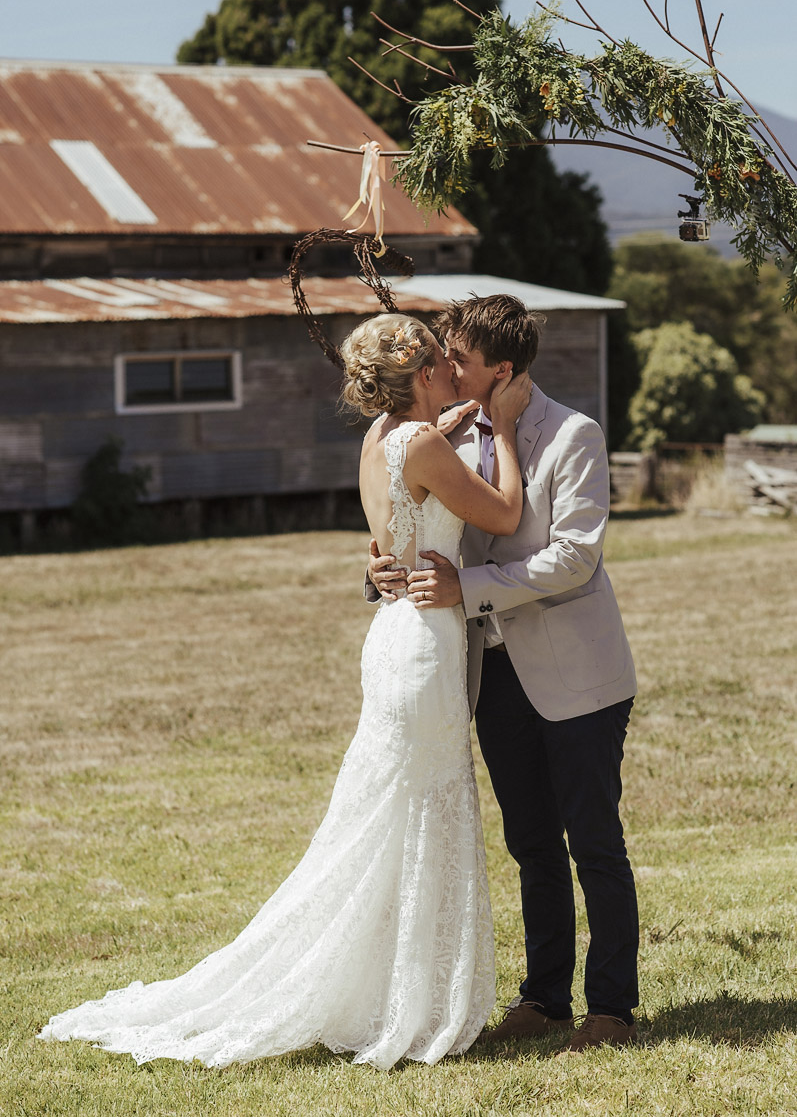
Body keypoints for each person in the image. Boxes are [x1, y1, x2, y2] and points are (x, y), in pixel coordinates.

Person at [38, 313, 531, 1071]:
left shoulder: (378, 439)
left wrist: (456, 419)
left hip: (395, 635)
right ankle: (402, 1001)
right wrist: (498, 428)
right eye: (444, 365)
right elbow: (501, 513)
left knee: (389, 815)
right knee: (418, 811)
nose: (453, 375)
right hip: (426, 642)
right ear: (425, 373)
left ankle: (384, 988)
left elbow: (394, 527)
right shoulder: (429, 443)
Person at [368, 294, 639, 1053]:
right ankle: (544, 998)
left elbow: (573, 557)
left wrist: (470, 590)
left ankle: (611, 1006)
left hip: (578, 675)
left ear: (504, 369)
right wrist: (386, 572)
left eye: (458, 358)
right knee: (529, 843)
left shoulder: (571, 435)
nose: (442, 368)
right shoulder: (445, 435)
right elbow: (427, 529)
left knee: (593, 842)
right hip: (491, 675)